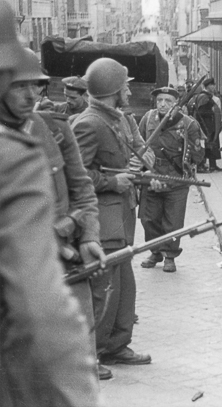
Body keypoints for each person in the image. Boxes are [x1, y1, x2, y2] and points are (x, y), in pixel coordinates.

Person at [0, 0, 102, 406]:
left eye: (35, 86)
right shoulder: (12, 157)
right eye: (18, 84)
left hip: (67, 254)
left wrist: (87, 232)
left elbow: (81, 187)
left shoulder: (54, 129)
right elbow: (39, 311)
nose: (29, 95)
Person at [72, 57, 155, 375]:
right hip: (100, 220)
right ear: (111, 90)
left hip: (121, 214)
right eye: (125, 87)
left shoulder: (116, 120)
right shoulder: (88, 123)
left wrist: (137, 176)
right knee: (102, 289)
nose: (130, 93)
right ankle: (89, 355)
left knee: (123, 286)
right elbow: (76, 176)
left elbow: (121, 165)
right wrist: (112, 181)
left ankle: (116, 345)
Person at [139, 87, 206, 272]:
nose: (162, 104)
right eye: (159, 100)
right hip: (152, 177)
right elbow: (140, 143)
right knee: (149, 219)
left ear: (176, 103)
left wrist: (189, 149)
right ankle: (155, 252)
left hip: (176, 180)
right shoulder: (148, 118)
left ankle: (170, 256)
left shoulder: (188, 124)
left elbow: (199, 154)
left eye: (168, 101)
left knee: (174, 222)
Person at [189, 77, 222, 172]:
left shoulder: (208, 96)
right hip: (205, 125)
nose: (214, 87)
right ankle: (201, 166)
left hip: (209, 125)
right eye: (212, 85)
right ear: (207, 86)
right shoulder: (204, 96)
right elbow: (201, 112)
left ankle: (213, 165)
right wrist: (212, 113)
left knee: (212, 144)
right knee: (205, 145)